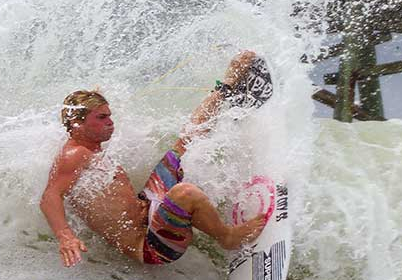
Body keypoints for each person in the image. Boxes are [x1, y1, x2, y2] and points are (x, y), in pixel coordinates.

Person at [40, 51, 268, 268]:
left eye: (109, 115)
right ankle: (227, 237)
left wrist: (92, 97)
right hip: (151, 246)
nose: (110, 122)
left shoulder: (88, 145)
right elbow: (50, 196)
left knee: (184, 144)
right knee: (185, 193)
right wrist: (65, 236)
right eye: (101, 117)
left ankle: (226, 88)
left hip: (148, 209)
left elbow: (78, 121)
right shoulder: (75, 154)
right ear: (78, 124)